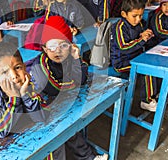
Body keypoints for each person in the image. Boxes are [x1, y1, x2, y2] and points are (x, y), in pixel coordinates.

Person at [28, 16, 108, 160]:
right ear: (45, 48)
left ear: (70, 45)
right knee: (58, 134)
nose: (57, 51)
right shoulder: (39, 65)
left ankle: (88, 156)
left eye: (63, 45)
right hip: (38, 111)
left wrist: (77, 58)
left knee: (71, 130)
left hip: (60, 103)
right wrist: (74, 82)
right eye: (52, 46)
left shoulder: (69, 58)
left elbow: (82, 79)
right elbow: (54, 88)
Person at [109, 0, 168, 112]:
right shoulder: (119, 27)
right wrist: (141, 40)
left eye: (140, 15)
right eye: (134, 16)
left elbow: (142, 39)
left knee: (157, 62)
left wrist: (148, 35)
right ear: (124, 14)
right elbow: (124, 47)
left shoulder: (139, 24)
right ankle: (146, 100)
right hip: (121, 62)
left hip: (136, 57)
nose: (138, 19)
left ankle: (158, 93)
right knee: (148, 69)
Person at [0, 43, 46, 138]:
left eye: (18, 68)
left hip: (14, 132)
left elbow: (40, 117)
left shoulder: (26, 85)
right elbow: (0, 130)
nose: (14, 76)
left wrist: (24, 95)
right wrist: (14, 97)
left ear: (24, 68)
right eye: (5, 72)